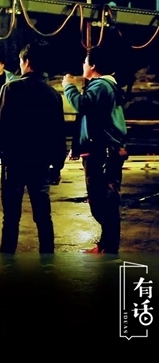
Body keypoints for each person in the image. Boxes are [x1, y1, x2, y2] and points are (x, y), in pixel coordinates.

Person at [0, 41, 66, 254]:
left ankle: (7, 258)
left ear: (27, 62)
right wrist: (57, 165)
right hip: (40, 163)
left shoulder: (11, 89)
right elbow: (58, 133)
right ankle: (47, 258)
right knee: (43, 216)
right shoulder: (52, 95)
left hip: (13, 162)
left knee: (11, 217)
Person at [63, 46, 128, 254]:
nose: (83, 65)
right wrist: (77, 147)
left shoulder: (101, 85)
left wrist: (68, 87)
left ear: (93, 66)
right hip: (101, 150)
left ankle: (109, 248)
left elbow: (82, 105)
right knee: (103, 200)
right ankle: (105, 245)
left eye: (85, 61)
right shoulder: (104, 86)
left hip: (102, 153)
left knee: (102, 202)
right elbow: (90, 120)